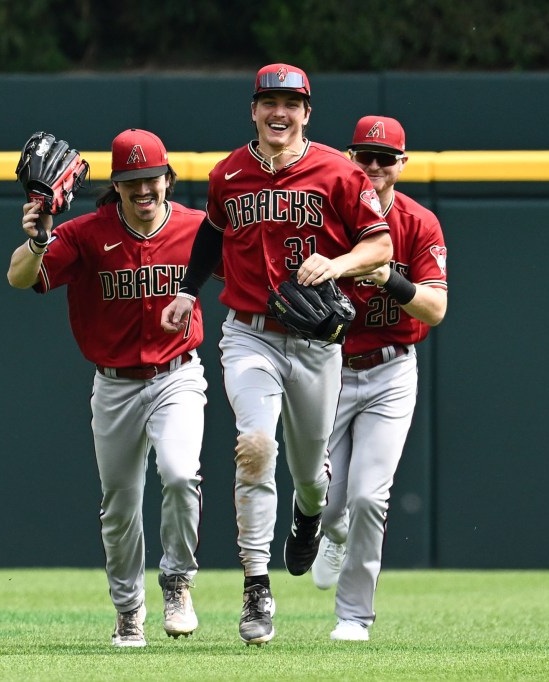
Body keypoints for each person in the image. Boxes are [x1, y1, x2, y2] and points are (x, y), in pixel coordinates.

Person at [161, 64, 393, 646]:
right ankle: (255, 586)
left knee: (311, 474)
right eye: (270, 102)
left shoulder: (339, 172)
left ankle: (310, 512)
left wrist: (337, 265)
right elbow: (212, 234)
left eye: (291, 103)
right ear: (254, 109)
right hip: (249, 332)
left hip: (316, 344)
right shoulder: (228, 174)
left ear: (307, 113)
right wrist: (188, 290)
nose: (279, 113)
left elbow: (381, 242)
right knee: (256, 447)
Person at [7, 128, 208, 648]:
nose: (143, 191)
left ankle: (178, 581)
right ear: (115, 186)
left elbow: (252, 270)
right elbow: (19, 277)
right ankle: (128, 611)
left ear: (168, 179)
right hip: (115, 385)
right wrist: (36, 240)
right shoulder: (85, 234)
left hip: (177, 373)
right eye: (131, 182)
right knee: (120, 506)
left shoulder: (196, 228)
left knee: (181, 474)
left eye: (151, 180)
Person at [310, 115, 447, 641]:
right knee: (321, 492)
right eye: (364, 157)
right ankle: (333, 529)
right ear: (348, 158)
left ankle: (353, 616)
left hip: (391, 369)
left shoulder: (418, 223)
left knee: (371, 497)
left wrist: (390, 278)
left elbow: (434, 309)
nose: (373, 167)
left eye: (384, 158)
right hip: (330, 367)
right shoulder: (328, 217)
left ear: (401, 165)